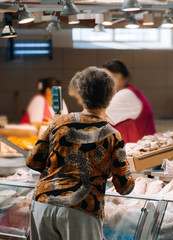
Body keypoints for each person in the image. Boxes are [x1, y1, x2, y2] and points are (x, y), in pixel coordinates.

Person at [27, 67, 135, 240]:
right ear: (110, 97)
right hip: (82, 208)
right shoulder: (112, 135)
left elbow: (33, 161)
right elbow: (125, 186)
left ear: (81, 95)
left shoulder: (58, 123)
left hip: (43, 204)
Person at [103, 60, 156, 144]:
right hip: (140, 148)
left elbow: (96, 117)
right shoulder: (130, 92)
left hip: (137, 150)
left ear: (125, 78)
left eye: (113, 77)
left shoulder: (125, 94)